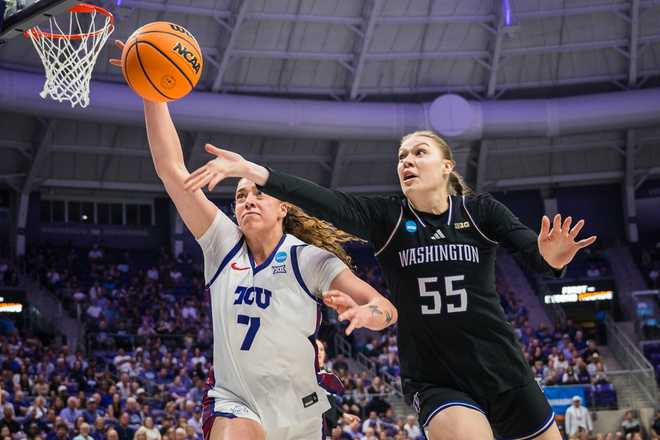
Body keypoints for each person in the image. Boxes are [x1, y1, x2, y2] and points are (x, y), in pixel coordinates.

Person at [185, 130, 598, 439]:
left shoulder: (480, 212)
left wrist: (552, 256)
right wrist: (253, 171)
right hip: (438, 379)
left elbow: (537, 255)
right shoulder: (389, 218)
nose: (407, 161)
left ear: (447, 166)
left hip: (505, 370)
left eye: (419, 152)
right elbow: (323, 200)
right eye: (401, 156)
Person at [110, 41, 397, 440]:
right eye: (240, 195)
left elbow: (383, 307)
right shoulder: (222, 244)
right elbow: (171, 170)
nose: (246, 200)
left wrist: (371, 316)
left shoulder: (309, 260)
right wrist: (152, 93)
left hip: (300, 407)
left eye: (257, 194)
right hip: (234, 399)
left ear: (283, 208)